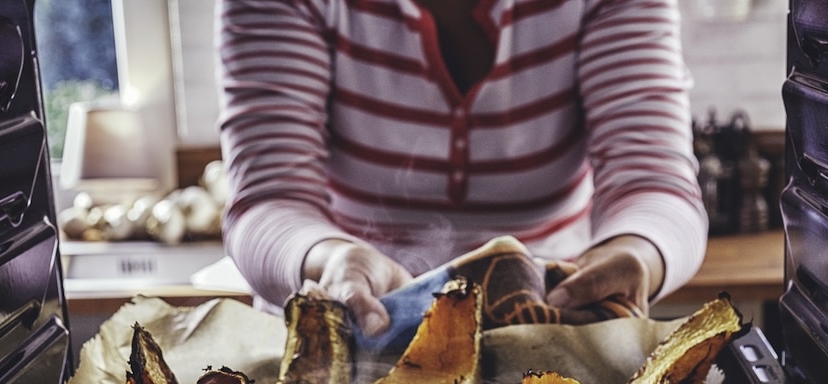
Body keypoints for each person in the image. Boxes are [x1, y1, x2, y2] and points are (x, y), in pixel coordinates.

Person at [214, 0, 707, 337]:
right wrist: (331, 259)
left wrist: (637, 251)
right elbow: (269, 201)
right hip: (345, 337)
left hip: (550, 337)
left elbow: (654, 186)